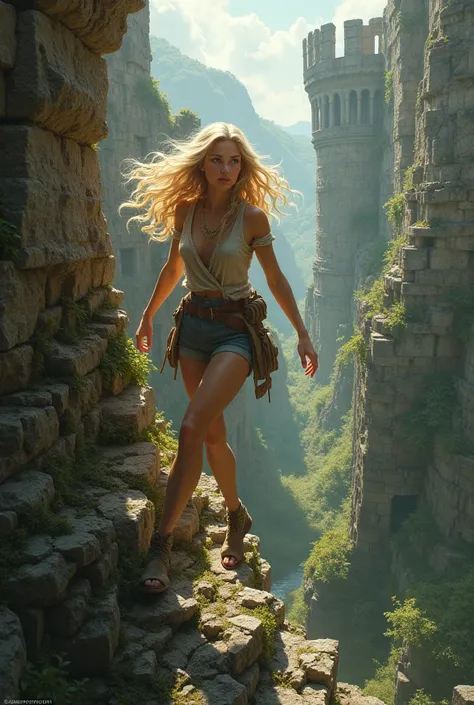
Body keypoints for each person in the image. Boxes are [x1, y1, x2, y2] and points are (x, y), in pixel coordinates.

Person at [121, 122, 318, 594]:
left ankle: (160, 548)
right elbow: (173, 269)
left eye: (234, 160)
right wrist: (148, 317)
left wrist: (303, 335)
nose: (226, 168)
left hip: (236, 332)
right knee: (211, 436)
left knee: (190, 426)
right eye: (217, 159)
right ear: (203, 165)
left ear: (242, 166)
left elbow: (276, 281)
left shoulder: (253, 218)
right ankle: (236, 514)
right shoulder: (185, 210)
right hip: (191, 328)